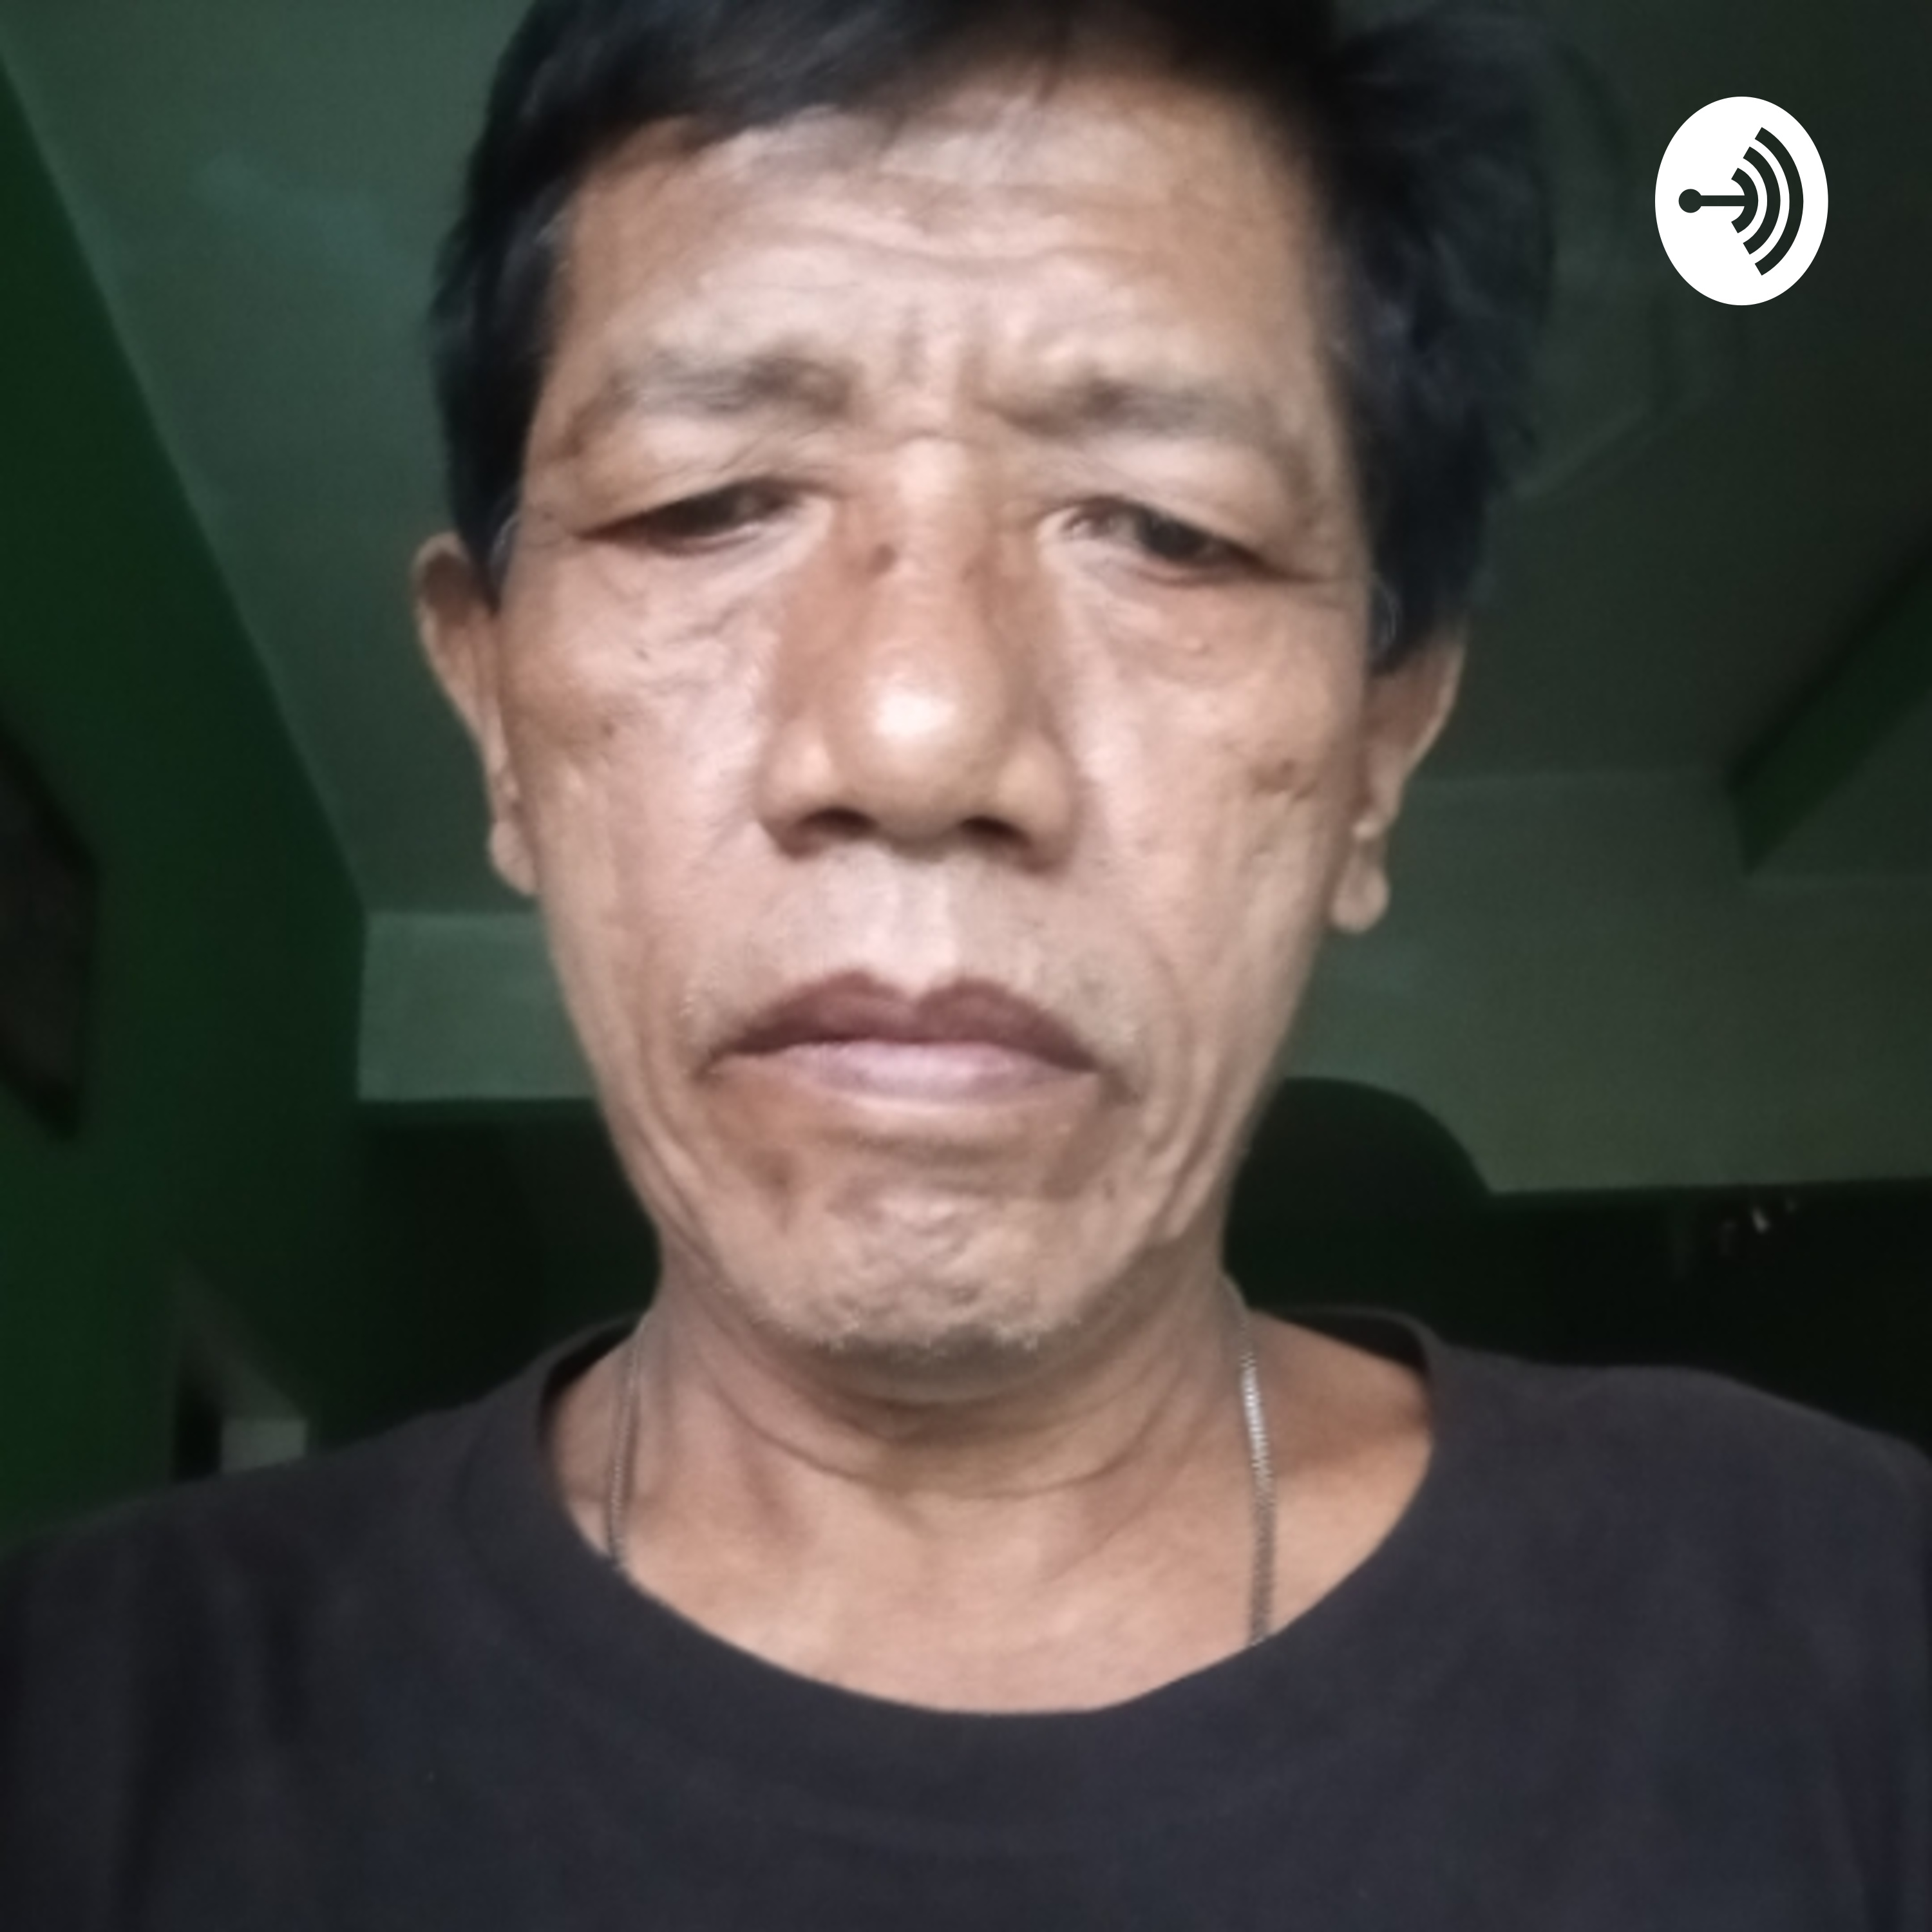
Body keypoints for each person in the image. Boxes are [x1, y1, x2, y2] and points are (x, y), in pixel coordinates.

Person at [2, 0, 1927, 1923]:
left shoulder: (1839, 1632)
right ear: (498, 715)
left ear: (1375, 756)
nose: (917, 734)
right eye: (704, 503)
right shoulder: (76, 1738)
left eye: (1166, 531)